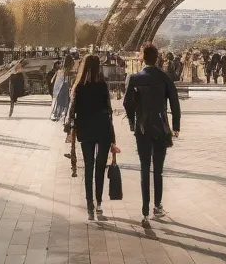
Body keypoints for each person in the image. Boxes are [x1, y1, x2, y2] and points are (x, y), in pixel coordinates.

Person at [123, 43, 181, 224]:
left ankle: (145, 211)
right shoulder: (164, 77)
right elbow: (175, 103)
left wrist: (133, 122)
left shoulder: (135, 78)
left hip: (142, 127)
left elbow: (127, 103)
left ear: (142, 57)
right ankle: (157, 206)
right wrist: (176, 126)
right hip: (161, 127)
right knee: (158, 169)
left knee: (144, 167)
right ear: (157, 58)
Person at [68, 54, 120, 221]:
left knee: (88, 168)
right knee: (100, 168)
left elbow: (72, 111)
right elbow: (109, 111)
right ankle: (98, 203)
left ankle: (89, 205)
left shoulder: (78, 87)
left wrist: (70, 130)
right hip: (102, 130)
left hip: (85, 130)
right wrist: (113, 137)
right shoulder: (102, 86)